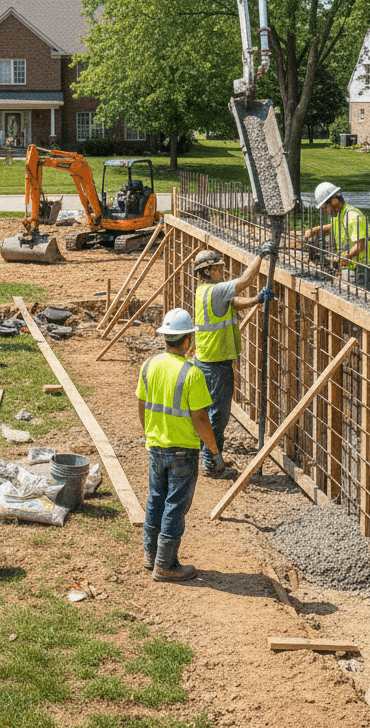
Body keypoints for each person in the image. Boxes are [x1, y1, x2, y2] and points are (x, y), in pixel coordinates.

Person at [138, 308, 224, 582]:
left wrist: (151, 434)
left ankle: (151, 556)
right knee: (175, 504)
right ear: (188, 340)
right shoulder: (192, 374)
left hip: (156, 446)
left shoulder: (149, 365)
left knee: (156, 498)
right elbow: (200, 419)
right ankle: (165, 565)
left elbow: (141, 404)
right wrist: (215, 452)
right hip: (182, 451)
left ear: (166, 338)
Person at [192, 244, 272, 477]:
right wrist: (261, 255)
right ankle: (212, 463)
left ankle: (209, 454)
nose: (222, 272)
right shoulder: (214, 291)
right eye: (217, 268)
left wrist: (257, 300)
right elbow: (245, 281)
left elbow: (235, 302)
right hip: (216, 365)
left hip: (207, 361)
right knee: (218, 415)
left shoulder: (206, 291)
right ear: (206, 272)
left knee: (209, 412)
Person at [303, 181, 370, 293]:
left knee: (361, 300)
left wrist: (346, 256)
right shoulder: (339, 214)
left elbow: (361, 244)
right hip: (352, 265)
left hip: (364, 267)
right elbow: (334, 227)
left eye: (325, 207)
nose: (324, 211)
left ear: (334, 201)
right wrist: (315, 230)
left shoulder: (353, 216)